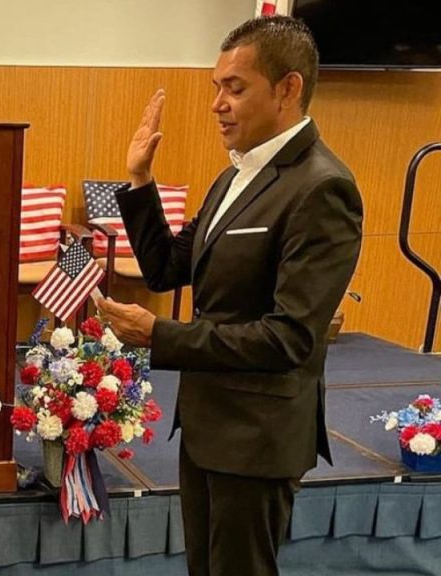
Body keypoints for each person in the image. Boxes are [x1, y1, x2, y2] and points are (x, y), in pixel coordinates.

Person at [95, 16, 363, 576]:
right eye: (217, 87)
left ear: (288, 89)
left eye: (235, 88)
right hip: (208, 426)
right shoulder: (234, 176)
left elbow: (288, 338)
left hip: (258, 437)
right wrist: (140, 181)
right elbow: (165, 268)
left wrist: (160, 335)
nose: (217, 104)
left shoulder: (322, 188)